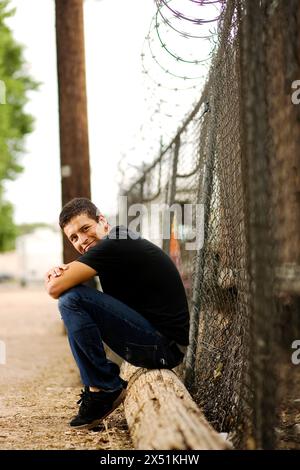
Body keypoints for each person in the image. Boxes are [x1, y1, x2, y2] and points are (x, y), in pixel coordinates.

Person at [45, 197, 190, 429]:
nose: (82, 241)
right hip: (158, 343)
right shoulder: (115, 242)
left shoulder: (115, 243)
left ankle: (103, 388)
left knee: (71, 299)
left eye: (85, 229)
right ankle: (100, 386)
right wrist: (60, 273)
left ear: (102, 221)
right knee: (73, 295)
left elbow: (55, 288)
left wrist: (57, 275)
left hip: (164, 347)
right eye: (74, 237)